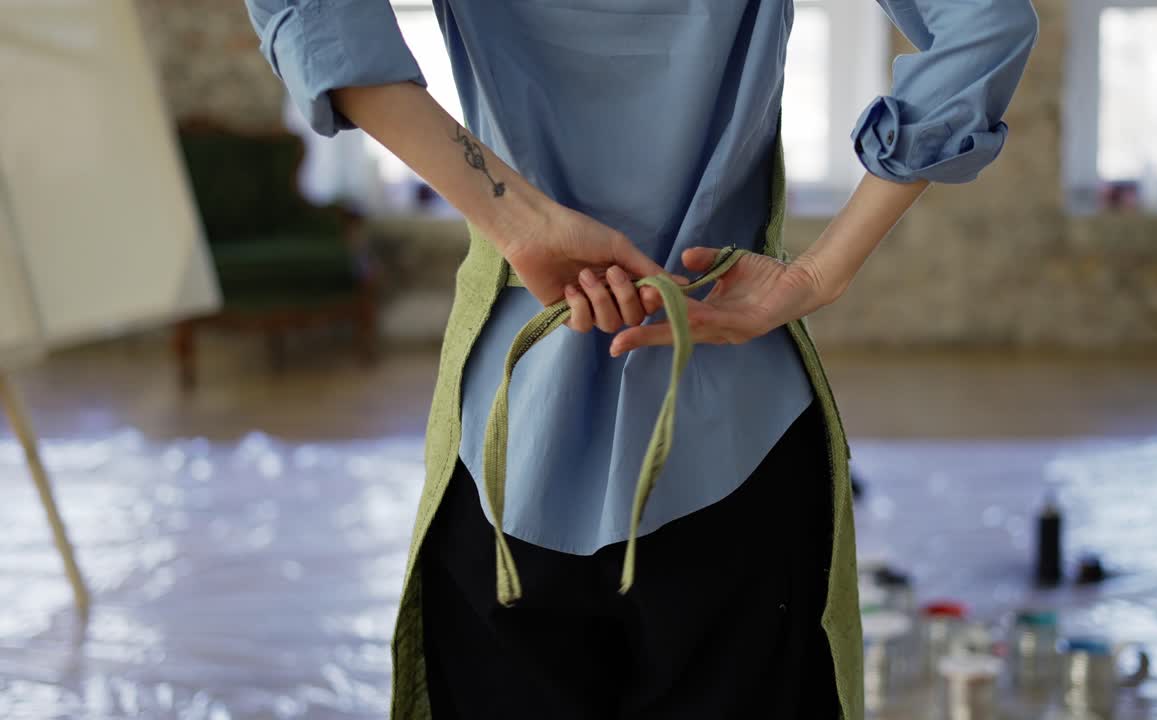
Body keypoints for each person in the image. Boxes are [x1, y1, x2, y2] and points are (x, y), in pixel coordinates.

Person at [245, 1, 1037, 718]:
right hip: (740, 442)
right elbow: (987, 23)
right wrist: (817, 274)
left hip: (507, 451)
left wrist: (516, 218)